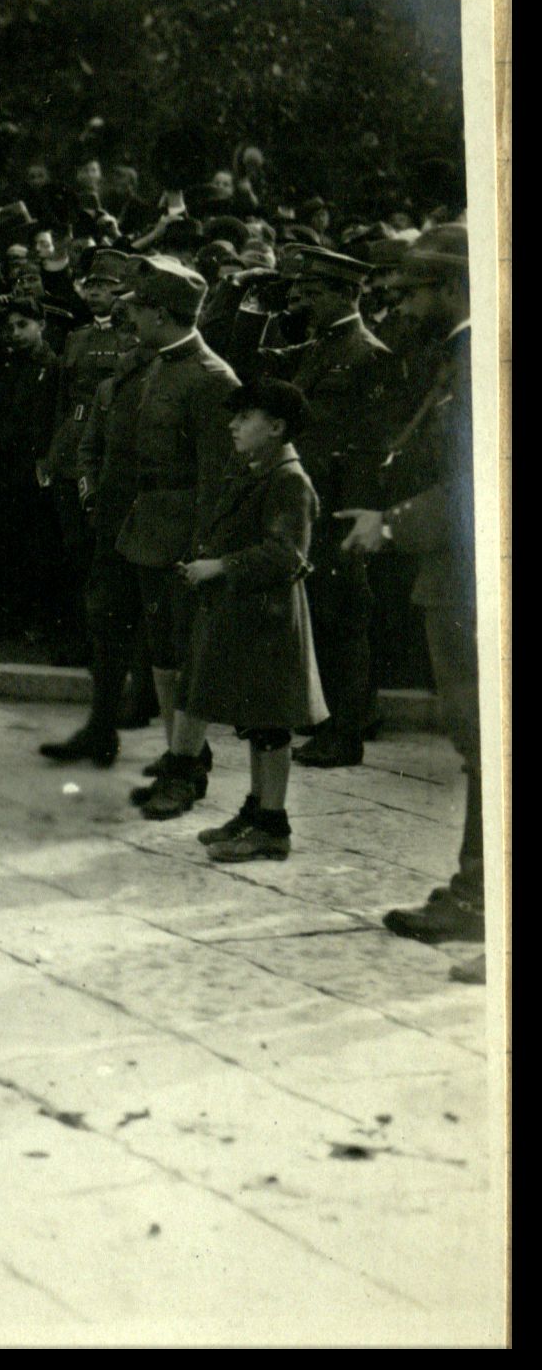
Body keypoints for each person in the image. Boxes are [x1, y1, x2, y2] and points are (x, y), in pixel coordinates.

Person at [334, 227, 486, 978]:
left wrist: (391, 524)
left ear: (452, 288)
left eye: (412, 292)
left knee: (484, 738)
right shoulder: (461, 353)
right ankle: (476, 892)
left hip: (467, 578)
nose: (399, 304)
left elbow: (477, 483)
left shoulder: (476, 356)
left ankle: (480, 900)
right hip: (458, 574)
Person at [43, 256, 240, 814]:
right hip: (136, 526)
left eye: (137, 308)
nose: (127, 317)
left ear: (161, 314)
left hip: (179, 539)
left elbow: (218, 477)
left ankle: (187, 769)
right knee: (151, 648)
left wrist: (203, 551)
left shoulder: (211, 378)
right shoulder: (153, 366)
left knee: (182, 653)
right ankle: (172, 754)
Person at [240, 244, 398, 769]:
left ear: (346, 293)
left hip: (338, 510)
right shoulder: (316, 348)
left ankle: (345, 733)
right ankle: (333, 724)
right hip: (309, 504)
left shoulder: (368, 354)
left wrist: (356, 515)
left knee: (341, 620)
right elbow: (255, 370)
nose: (303, 301)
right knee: (323, 617)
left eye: (313, 292)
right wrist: (257, 309)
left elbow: (373, 448)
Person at [166, 380, 327, 857]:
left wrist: (220, 566)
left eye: (244, 417)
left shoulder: (288, 480)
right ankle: (256, 811)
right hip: (251, 616)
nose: (233, 426)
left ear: (275, 427)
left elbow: (287, 554)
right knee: (258, 719)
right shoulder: (260, 470)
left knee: (271, 724)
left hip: (271, 622)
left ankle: (272, 827)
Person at [42, 247, 140, 665]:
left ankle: (107, 643)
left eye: (106, 286)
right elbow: (61, 400)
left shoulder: (132, 339)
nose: (96, 292)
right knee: (74, 548)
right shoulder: (76, 338)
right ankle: (77, 639)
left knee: (106, 550)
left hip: (109, 447)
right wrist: (52, 451)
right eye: (92, 285)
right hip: (71, 449)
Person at [0, 293, 64, 643]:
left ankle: (34, 619)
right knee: (0, 543)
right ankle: (2, 616)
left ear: (41, 325)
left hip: (33, 467)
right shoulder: (4, 363)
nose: (15, 333)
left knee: (35, 546)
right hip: (2, 466)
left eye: (22, 325)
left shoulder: (53, 367)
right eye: (10, 327)